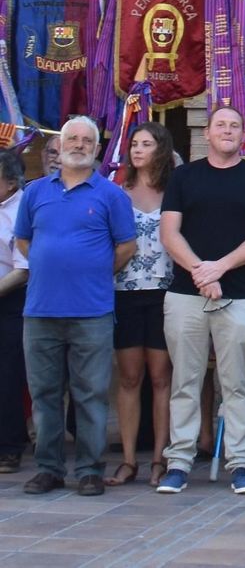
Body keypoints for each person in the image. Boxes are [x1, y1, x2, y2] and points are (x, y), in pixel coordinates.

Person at [156, 107, 245, 496]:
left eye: (234, 125)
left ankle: (241, 464)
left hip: (238, 295)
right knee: (185, 380)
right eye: (220, 125)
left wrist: (218, 270)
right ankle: (178, 463)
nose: (227, 130)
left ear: (244, 135)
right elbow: (169, 232)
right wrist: (199, 271)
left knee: (237, 383)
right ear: (206, 133)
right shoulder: (184, 176)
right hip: (185, 295)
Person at [17, 116, 136, 496]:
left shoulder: (112, 195)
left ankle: (88, 470)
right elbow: (23, 242)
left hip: (91, 311)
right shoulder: (35, 192)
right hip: (40, 311)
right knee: (45, 394)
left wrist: (93, 272)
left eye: (88, 140)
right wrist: (53, 266)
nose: (80, 145)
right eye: (73, 139)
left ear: (97, 150)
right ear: (60, 146)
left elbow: (126, 248)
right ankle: (49, 469)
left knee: (90, 394)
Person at [107, 122, 175, 488]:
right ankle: (129, 459)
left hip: (165, 293)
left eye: (146, 144)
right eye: (134, 144)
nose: (137, 150)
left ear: (160, 149)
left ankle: (160, 458)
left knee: (162, 378)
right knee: (130, 377)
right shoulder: (118, 192)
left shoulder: (174, 191)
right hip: (125, 293)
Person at [0, 152, 29, 475]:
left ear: (10, 182)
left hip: (12, 298)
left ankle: (8, 448)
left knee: (7, 375)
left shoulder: (22, 207)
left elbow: (23, 269)